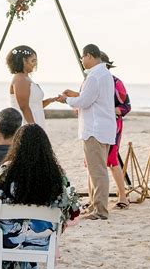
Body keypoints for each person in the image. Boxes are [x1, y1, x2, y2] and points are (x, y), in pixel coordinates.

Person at [0, 123, 71, 269]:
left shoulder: (6, 170)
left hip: (7, 240)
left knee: (16, 228)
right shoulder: (56, 174)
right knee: (33, 227)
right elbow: (64, 207)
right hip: (43, 241)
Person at [58, 43, 116, 220]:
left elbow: (84, 101)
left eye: (82, 57)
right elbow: (91, 98)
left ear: (89, 56)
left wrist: (65, 99)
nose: (82, 61)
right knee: (95, 170)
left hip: (94, 130)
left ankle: (100, 210)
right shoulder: (105, 74)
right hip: (103, 128)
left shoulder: (94, 76)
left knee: (97, 172)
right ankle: (94, 205)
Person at [100, 51, 130, 210]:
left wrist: (106, 110)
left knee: (112, 160)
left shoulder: (116, 82)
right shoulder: (90, 81)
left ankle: (123, 196)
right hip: (94, 126)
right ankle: (94, 199)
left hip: (112, 125)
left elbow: (126, 107)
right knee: (93, 163)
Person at [7, 46, 57, 130]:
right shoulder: (20, 79)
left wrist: (49, 101)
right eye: (33, 61)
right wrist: (33, 128)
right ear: (23, 61)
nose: (35, 64)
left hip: (36, 121)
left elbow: (35, 106)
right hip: (27, 125)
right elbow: (24, 107)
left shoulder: (26, 78)